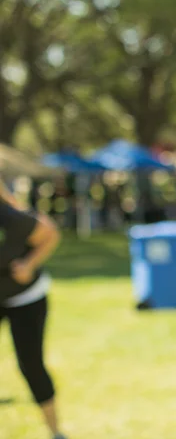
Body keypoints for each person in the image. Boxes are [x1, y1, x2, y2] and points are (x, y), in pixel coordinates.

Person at [1, 184, 67, 439]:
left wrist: (29, 264)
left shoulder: (11, 219)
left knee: (30, 364)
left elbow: (50, 233)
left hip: (26, 297)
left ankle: (56, 432)